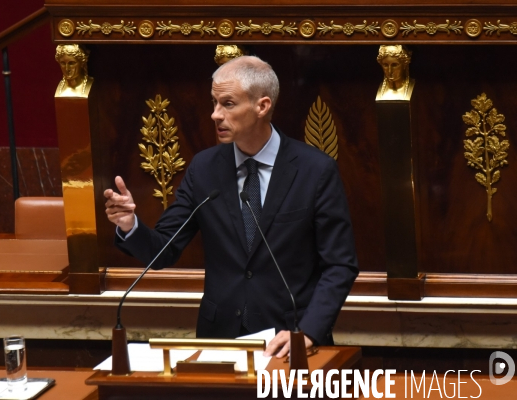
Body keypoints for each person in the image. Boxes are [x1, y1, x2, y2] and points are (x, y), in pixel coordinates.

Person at [104, 55, 358, 358]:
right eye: (214, 103)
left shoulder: (315, 170)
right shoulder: (205, 169)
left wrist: (309, 331)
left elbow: (340, 264)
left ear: (262, 106)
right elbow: (163, 250)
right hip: (220, 342)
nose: (215, 115)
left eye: (227, 104)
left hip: (290, 340)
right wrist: (129, 225)